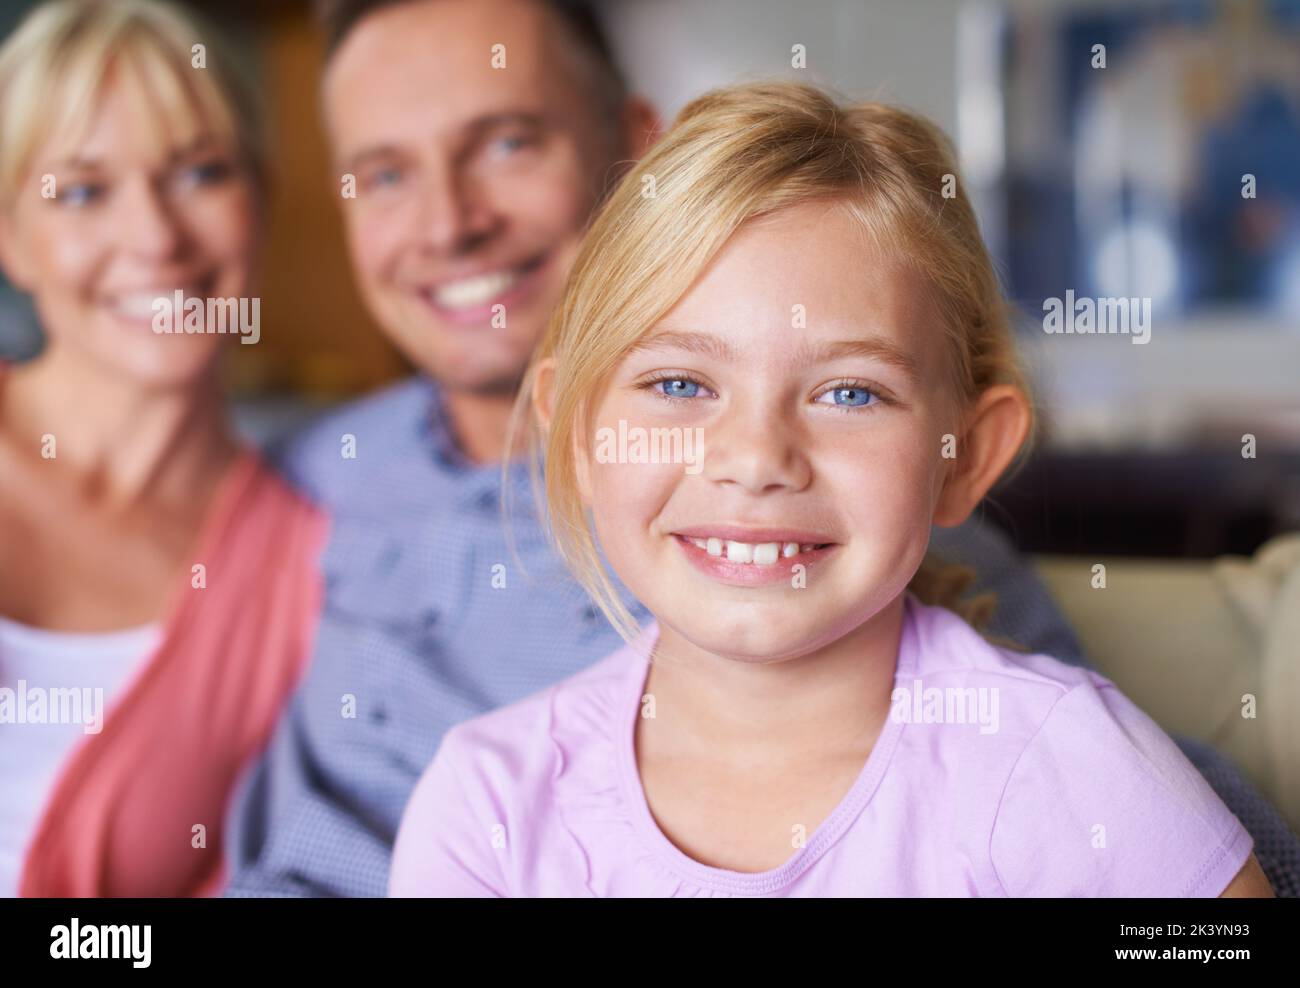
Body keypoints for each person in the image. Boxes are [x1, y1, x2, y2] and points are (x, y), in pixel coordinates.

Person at [229, 0, 1297, 897]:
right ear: (575, 430)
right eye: (681, 383)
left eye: (507, 142)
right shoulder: (306, 488)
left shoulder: (1032, 741)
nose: (753, 455)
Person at [0, 0, 326, 896]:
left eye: (199, 173)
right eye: (83, 190)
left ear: (260, 202)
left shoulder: (307, 565)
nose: (154, 237)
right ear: (11, 240)